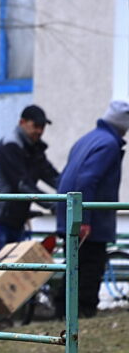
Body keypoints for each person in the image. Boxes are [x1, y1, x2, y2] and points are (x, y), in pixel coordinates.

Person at [54, 100, 129, 318]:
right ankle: (82, 316)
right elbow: (87, 179)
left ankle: (62, 315)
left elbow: (68, 175)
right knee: (89, 268)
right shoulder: (109, 144)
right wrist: (83, 219)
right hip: (90, 221)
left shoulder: (88, 139)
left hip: (69, 213)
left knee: (73, 267)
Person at [0, 104, 59, 253]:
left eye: (42, 127)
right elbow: (23, 184)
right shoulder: (10, 145)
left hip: (16, 222)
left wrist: (71, 192)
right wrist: (53, 204)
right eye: (36, 126)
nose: (40, 131)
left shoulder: (34, 149)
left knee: (16, 267)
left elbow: (52, 176)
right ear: (22, 122)